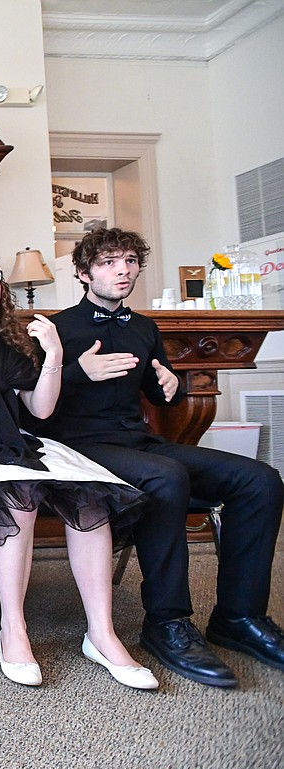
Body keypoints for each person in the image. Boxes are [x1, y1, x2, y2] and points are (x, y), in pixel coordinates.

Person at [35, 227, 284, 687]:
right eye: (109, 261)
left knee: (261, 480)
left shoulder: (145, 327)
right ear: (83, 272)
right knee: (166, 477)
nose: (123, 270)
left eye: (130, 261)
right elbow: (29, 408)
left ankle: (239, 617)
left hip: (137, 442)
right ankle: (166, 622)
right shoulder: (57, 328)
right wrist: (76, 371)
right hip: (78, 445)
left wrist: (168, 384)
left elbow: (155, 391)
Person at [0, 253, 153, 689]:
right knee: (19, 498)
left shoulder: (14, 342)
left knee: (92, 496)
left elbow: (40, 409)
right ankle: (14, 629)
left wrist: (55, 354)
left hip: (13, 438)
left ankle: (101, 633)